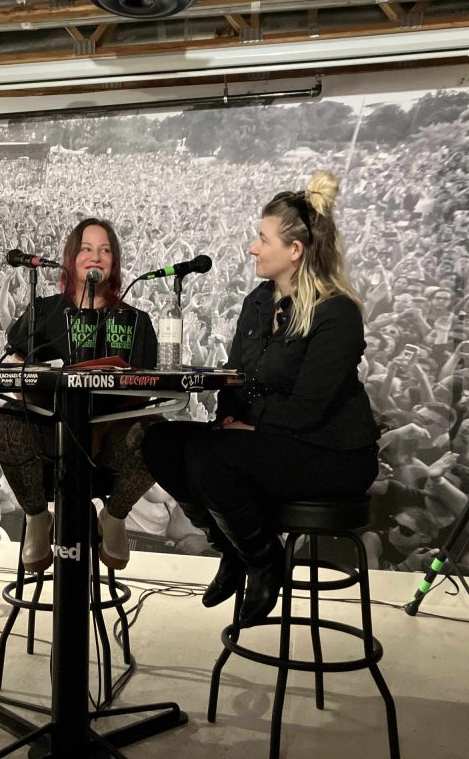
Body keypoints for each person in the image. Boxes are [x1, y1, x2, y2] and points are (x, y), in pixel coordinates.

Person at [142, 172, 380, 628]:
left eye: (262, 237)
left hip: (331, 454)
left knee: (211, 457)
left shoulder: (337, 313)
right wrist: (231, 418)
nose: (252, 247)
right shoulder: (257, 303)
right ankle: (230, 546)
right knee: (162, 444)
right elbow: (237, 377)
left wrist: (250, 426)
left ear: (294, 251)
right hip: (269, 438)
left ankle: (265, 562)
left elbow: (309, 408)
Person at [0, 218, 158, 572]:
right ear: (71, 257)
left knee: (160, 434)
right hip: (50, 437)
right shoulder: (46, 310)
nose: (95, 256)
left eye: (105, 250)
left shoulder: (135, 320)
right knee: (6, 422)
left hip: (110, 442)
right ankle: (37, 516)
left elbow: (149, 384)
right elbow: (14, 360)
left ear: (114, 262)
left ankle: (113, 517)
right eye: (86, 248)